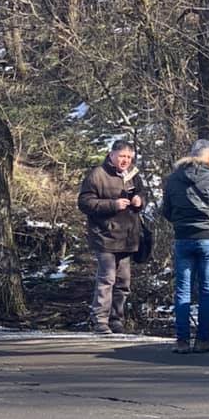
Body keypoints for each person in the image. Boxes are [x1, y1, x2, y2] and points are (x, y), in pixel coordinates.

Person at [162, 139, 209, 353]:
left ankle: (182, 341)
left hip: (183, 238)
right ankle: (204, 339)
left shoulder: (174, 179)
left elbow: (166, 210)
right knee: (207, 290)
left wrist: (182, 221)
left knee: (182, 290)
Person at [78, 139, 145, 335]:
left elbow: (142, 193)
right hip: (104, 235)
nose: (125, 160)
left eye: (129, 157)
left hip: (127, 236)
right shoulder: (97, 175)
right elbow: (84, 202)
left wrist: (140, 201)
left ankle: (117, 320)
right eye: (122, 156)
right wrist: (113, 205)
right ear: (112, 154)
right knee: (107, 279)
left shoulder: (133, 174)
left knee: (123, 282)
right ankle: (100, 321)